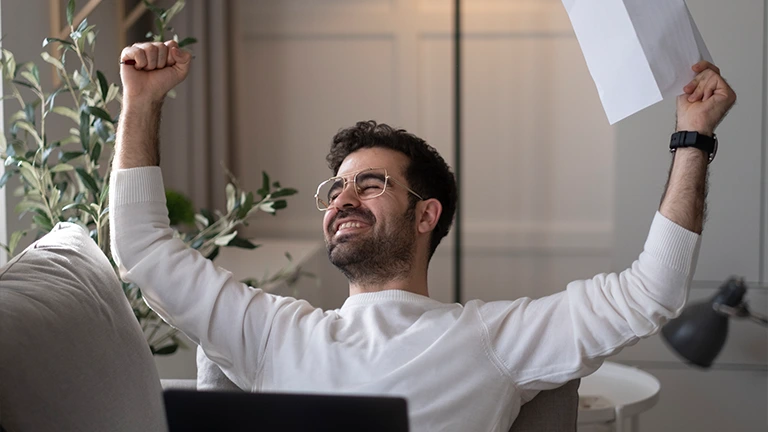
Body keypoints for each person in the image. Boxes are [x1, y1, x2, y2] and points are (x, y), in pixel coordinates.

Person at [110, 40, 736, 432]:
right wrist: (141, 104)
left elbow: (650, 292)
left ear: (426, 214)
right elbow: (141, 249)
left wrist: (694, 139)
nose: (342, 199)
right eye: (336, 189)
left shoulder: (494, 340)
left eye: (371, 183)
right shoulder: (273, 331)